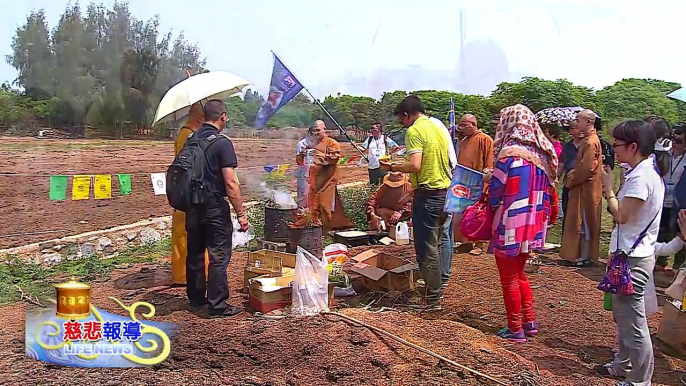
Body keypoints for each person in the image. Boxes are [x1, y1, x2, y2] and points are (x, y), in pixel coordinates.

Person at [594, 120, 663, 386]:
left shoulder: (642, 177)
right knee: (623, 315)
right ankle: (622, 365)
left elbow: (622, 215)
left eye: (617, 145)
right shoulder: (642, 173)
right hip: (628, 254)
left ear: (633, 146)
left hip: (633, 259)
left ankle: (639, 380)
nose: (614, 151)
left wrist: (609, 189)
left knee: (633, 321)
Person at [483, 104, 557, 342]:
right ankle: (529, 322)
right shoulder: (541, 156)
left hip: (509, 224)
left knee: (508, 278)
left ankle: (515, 329)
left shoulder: (509, 155)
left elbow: (496, 192)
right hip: (532, 227)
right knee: (520, 273)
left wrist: (489, 185)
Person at [380, 95, 452, 309]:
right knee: (439, 243)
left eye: (401, 120)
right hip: (445, 192)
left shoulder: (414, 131)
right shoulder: (437, 127)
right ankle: (436, 287)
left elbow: (415, 165)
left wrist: (392, 166)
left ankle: (433, 299)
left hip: (429, 196)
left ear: (406, 115)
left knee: (426, 248)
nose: (402, 124)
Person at [185, 100, 250, 318]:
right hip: (213, 206)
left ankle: (195, 300)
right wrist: (241, 213)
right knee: (218, 255)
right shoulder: (222, 143)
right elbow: (231, 183)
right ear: (223, 116)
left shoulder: (191, 139)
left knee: (194, 254)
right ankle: (217, 305)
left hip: (192, 205)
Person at [171, 102, 209, 285]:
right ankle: (185, 276)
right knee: (186, 234)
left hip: (185, 189)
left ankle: (188, 273)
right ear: (200, 118)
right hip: (189, 190)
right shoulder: (188, 135)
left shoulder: (186, 134)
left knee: (185, 233)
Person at [560, 110, 602, 267]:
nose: (576, 123)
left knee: (583, 222)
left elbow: (587, 168)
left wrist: (572, 178)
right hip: (582, 187)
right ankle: (578, 254)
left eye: (578, 120)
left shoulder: (591, 142)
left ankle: (584, 256)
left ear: (588, 122)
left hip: (586, 189)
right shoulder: (588, 140)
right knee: (580, 221)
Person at [302, 120, 354, 232]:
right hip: (315, 179)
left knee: (325, 205)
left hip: (328, 179)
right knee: (313, 204)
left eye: (318, 130)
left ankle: (327, 230)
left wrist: (319, 156)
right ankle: (318, 230)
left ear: (324, 130)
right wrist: (304, 154)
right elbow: (303, 160)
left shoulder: (332, 143)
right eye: (314, 130)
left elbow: (334, 159)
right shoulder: (312, 144)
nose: (316, 133)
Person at [454, 114, 494, 255]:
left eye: (464, 125)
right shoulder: (464, 140)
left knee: (478, 215)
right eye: (461, 125)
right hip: (463, 183)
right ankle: (466, 243)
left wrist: (486, 183)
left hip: (478, 183)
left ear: (473, 124)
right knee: (464, 213)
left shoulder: (485, 139)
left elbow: (489, 164)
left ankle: (479, 244)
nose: (462, 128)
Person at [427, 116, 458, 289]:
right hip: (449, 186)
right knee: (445, 233)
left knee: (441, 234)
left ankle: (441, 276)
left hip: (442, 189)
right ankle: (443, 274)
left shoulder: (431, 132)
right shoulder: (442, 132)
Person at [559, 123, 582, 224]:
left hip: (582, 184)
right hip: (568, 183)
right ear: (570, 131)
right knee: (567, 210)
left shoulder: (589, 144)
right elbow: (561, 165)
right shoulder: (567, 146)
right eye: (575, 128)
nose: (579, 130)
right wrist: (556, 178)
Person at [295, 127, 315, 208]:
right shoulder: (302, 144)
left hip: (315, 172)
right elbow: (298, 161)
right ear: (309, 133)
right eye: (314, 134)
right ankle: (301, 215)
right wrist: (303, 154)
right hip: (304, 172)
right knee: (303, 195)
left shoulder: (319, 143)